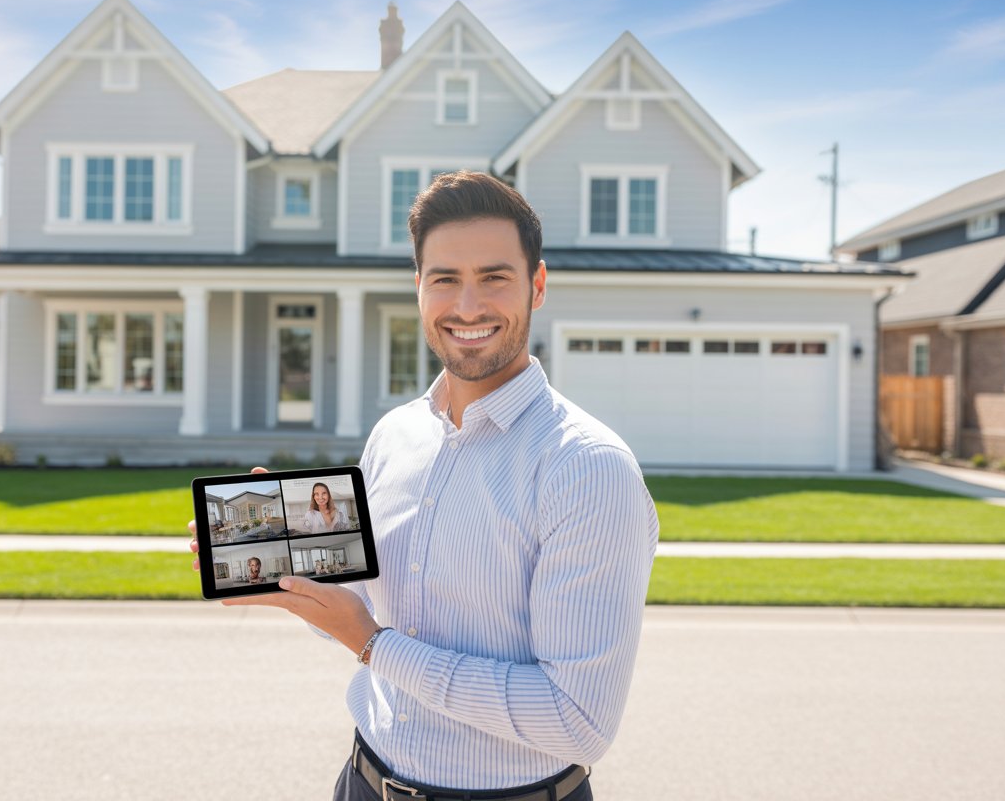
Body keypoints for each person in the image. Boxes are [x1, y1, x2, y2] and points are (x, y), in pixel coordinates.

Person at [189, 171, 659, 800]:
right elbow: (362, 611)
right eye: (445, 279)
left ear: (537, 286)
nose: (467, 307)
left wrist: (373, 645)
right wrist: (296, 574)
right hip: (363, 780)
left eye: (494, 277)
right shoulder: (395, 435)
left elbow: (577, 721)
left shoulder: (587, 468)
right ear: (418, 288)